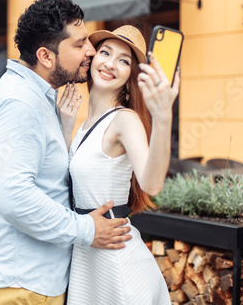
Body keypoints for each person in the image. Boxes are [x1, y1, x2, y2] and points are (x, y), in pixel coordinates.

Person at [0, 0, 132, 305]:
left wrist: (65, 128)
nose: (91, 52)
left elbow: (45, 178)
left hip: (32, 283)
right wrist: (86, 229)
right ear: (45, 55)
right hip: (21, 287)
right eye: (79, 44)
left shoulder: (37, 97)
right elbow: (15, 198)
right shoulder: (18, 105)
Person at [58, 25, 179, 304]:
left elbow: (151, 183)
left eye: (124, 60)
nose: (110, 64)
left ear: (130, 77)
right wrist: (66, 126)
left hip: (116, 260)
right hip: (89, 253)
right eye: (105, 52)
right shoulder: (84, 125)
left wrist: (163, 118)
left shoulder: (125, 120)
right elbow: (65, 182)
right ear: (93, 59)